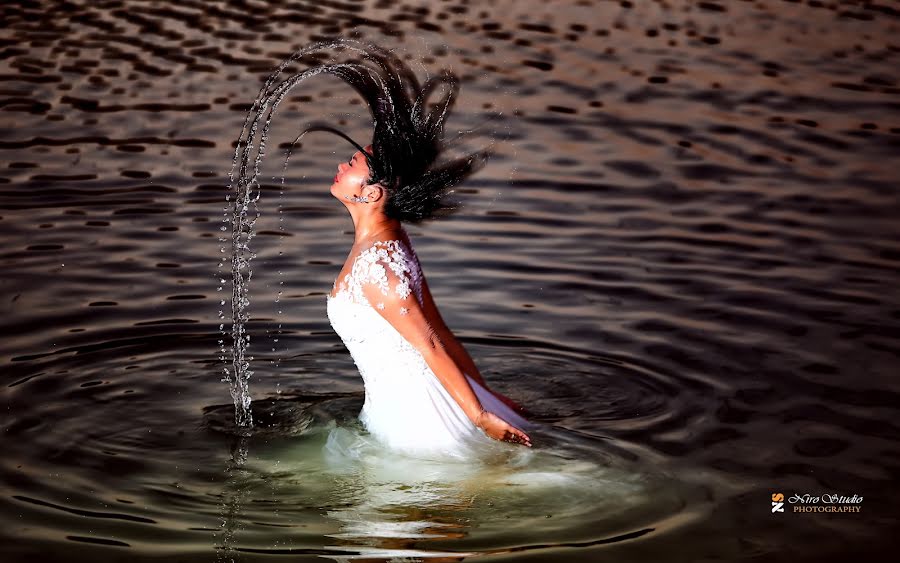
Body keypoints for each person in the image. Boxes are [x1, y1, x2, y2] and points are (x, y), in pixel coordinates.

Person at [325, 142, 534, 460]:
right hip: (411, 403)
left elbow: (431, 344)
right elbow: (441, 331)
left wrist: (480, 414)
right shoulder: (394, 242)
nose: (341, 166)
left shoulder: (377, 265)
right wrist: (484, 394)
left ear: (372, 194)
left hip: (417, 418)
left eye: (351, 164)